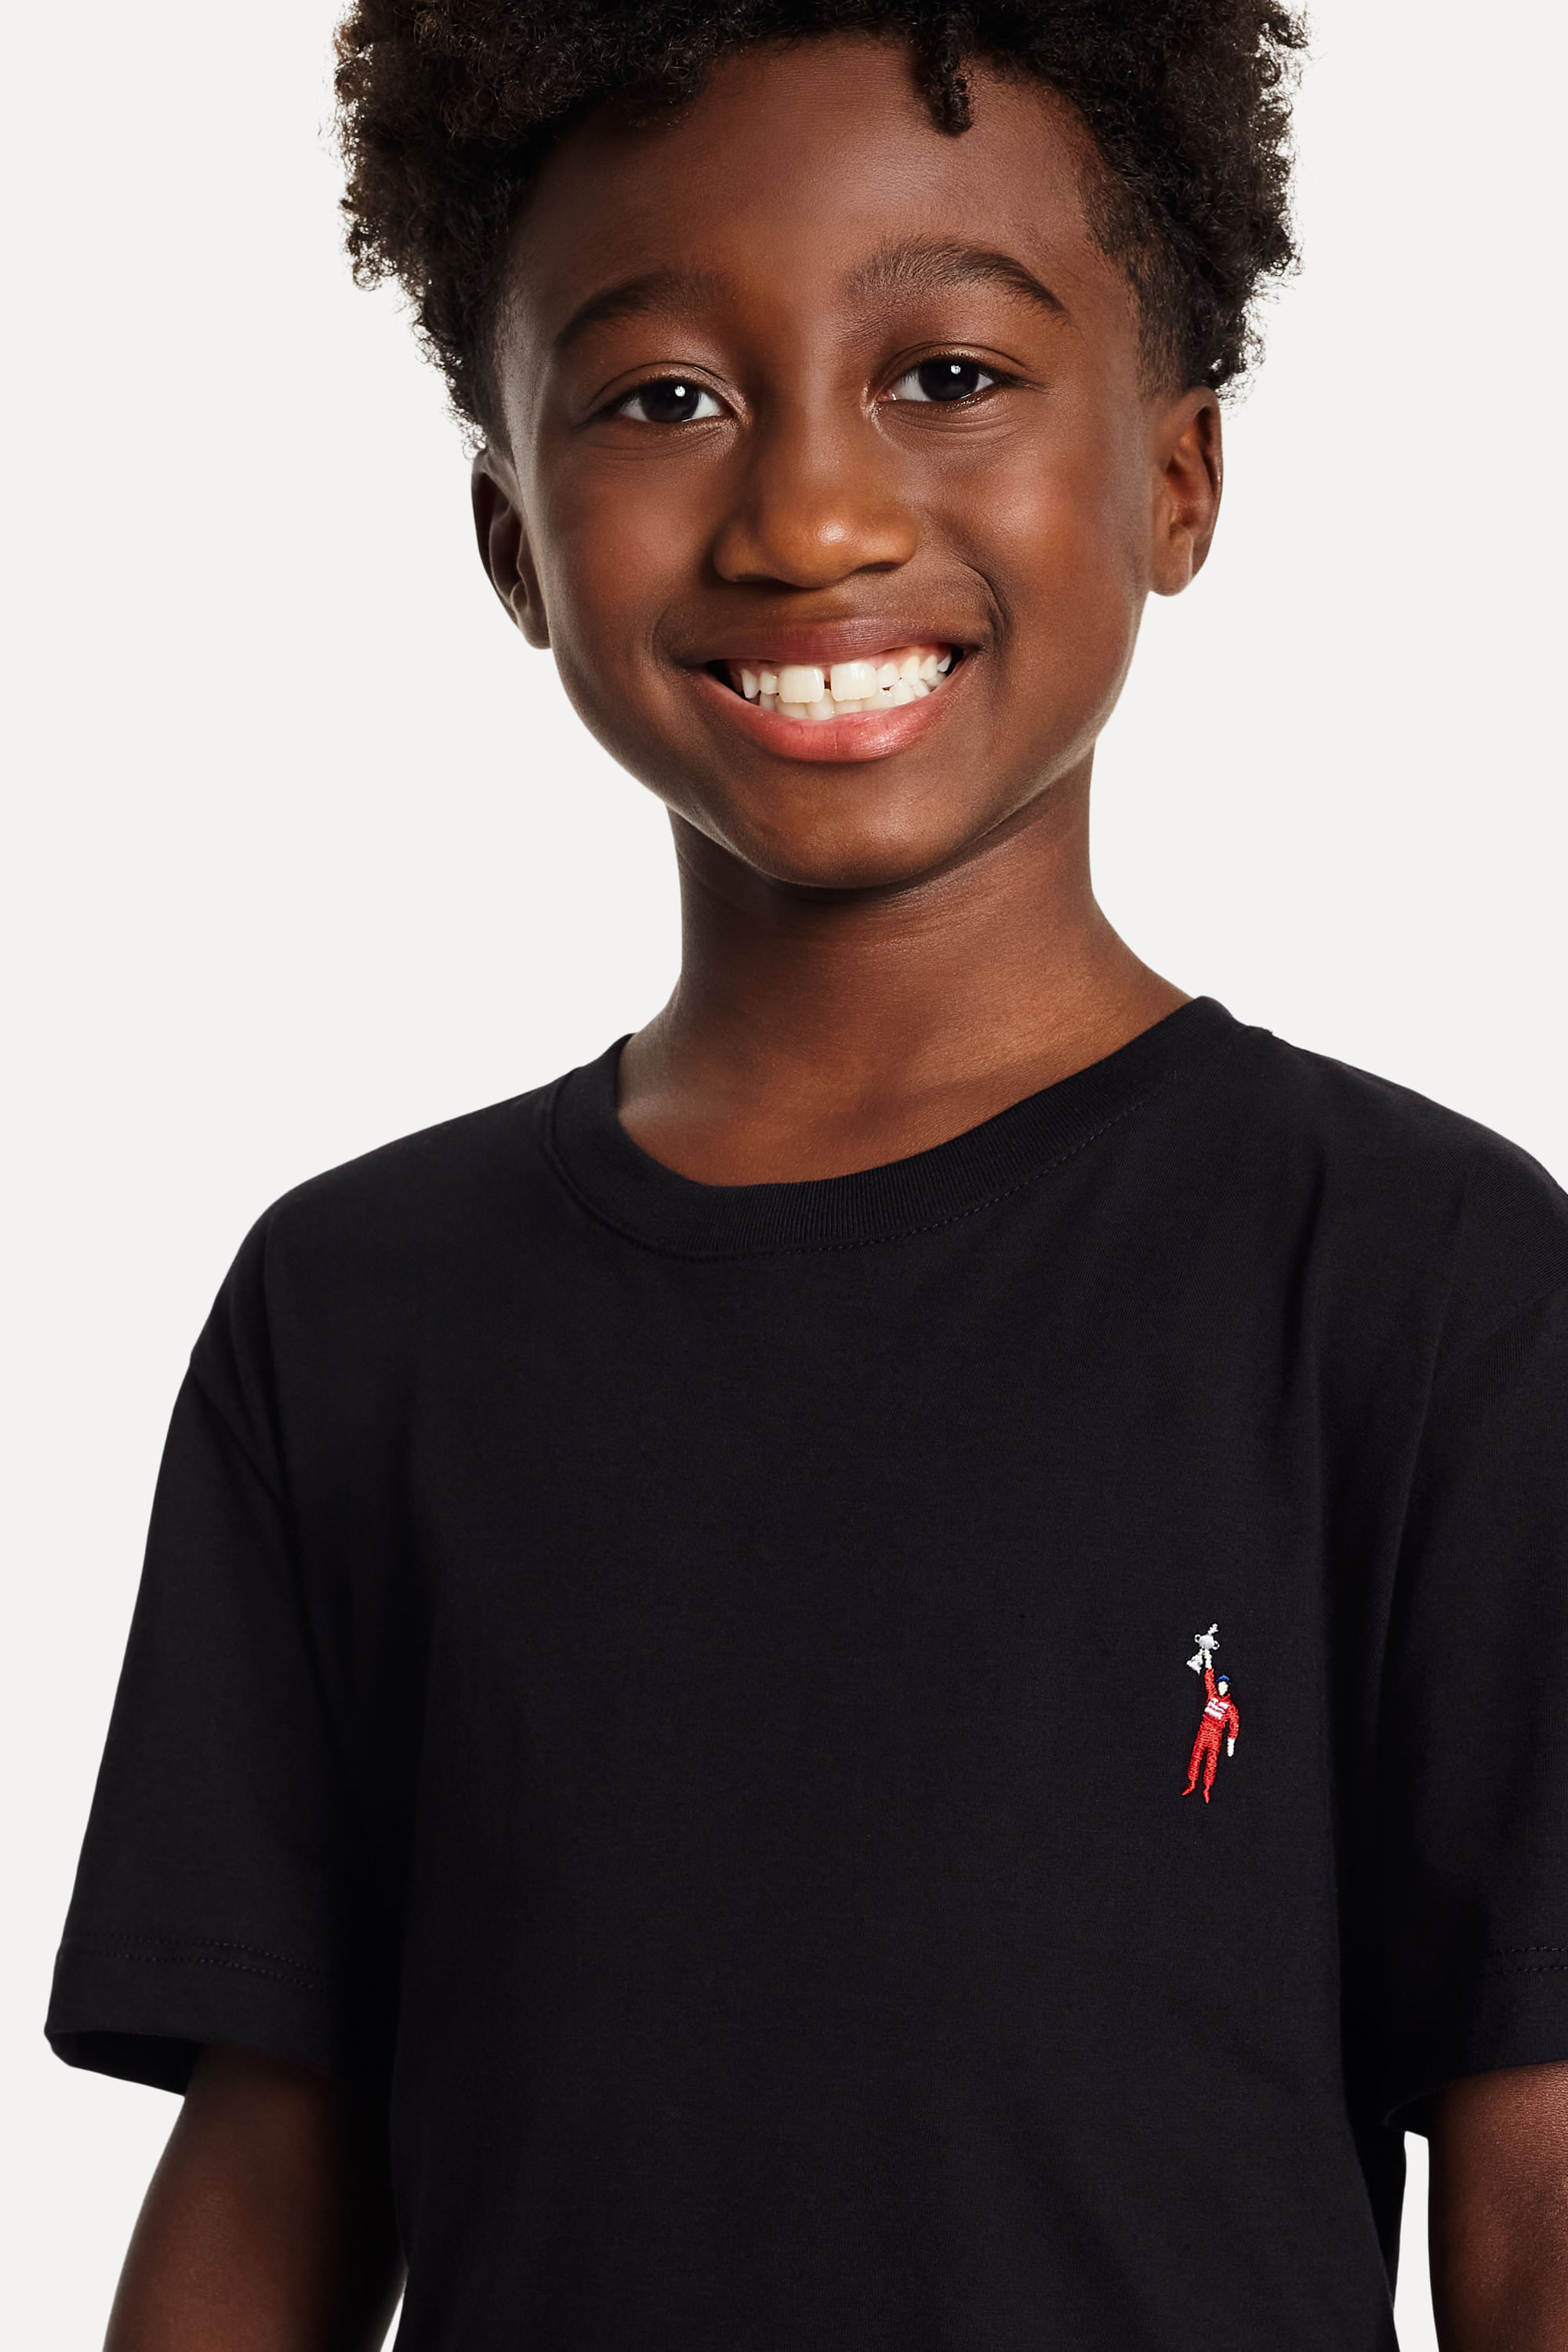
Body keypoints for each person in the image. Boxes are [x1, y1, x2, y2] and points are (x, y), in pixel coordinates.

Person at [45, 6, 1568, 2349]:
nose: (810, 517)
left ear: (1176, 475)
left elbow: (1536, 2182)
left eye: (946, 373)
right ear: (509, 536)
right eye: (664, 397)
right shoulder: (354, 1317)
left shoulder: (1418, 1283)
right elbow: (271, 2164)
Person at [1183, 1667, 1240, 1804]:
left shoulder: (1230, 1707)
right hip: (1203, 1732)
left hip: (1215, 1736)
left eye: (1224, 1686)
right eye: (1220, 1685)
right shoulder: (1212, 1696)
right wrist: (1208, 1662)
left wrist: (1231, 1743)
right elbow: (1208, 1680)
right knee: (1196, 1757)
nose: (1221, 1688)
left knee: (1211, 1762)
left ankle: (1207, 1788)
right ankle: (1192, 1783)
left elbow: (1234, 1725)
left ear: (1227, 1688)